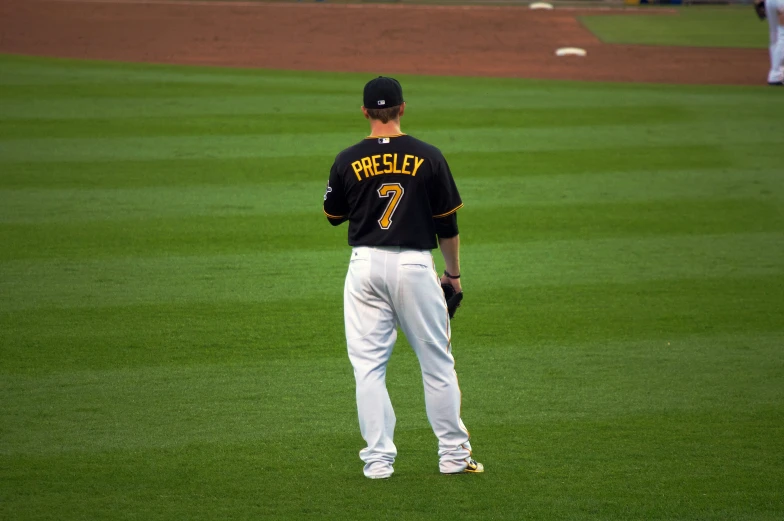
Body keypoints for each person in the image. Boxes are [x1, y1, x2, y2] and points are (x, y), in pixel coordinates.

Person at [322, 76, 483, 479]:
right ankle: (452, 456)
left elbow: (332, 215)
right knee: (437, 364)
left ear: (364, 111)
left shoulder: (346, 158)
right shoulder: (428, 156)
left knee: (369, 368)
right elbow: (447, 224)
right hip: (414, 265)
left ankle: (378, 462)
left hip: (364, 265)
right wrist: (453, 275)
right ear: (402, 108)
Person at [759, 0, 784, 85]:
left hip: (770, 2)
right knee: (782, 36)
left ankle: (777, 71)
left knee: (774, 37)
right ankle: (776, 74)